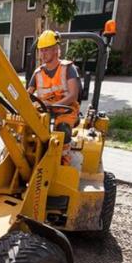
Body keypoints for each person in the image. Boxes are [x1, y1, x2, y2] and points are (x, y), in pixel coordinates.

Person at [26, 30, 81, 165]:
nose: (43, 54)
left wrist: (54, 106)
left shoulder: (68, 68)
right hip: (45, 112)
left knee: (62, 130)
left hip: (65, 111)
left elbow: (73, 95)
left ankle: (62, 162)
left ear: (56, 50)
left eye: (47, 50)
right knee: (28, 131)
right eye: (41, 50)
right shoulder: (38, 73)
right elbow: (27, 95)